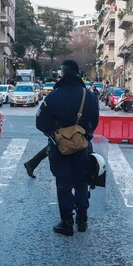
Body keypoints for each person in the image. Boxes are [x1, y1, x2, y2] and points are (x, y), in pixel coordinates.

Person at [36, 60, 99, 236]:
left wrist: (55, 133)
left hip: (60, 148)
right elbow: (95, 121)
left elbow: (41, 122)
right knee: (81, 182)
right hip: (82, 147)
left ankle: (67, 223)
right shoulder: (89, 96)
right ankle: (82, 220)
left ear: (64, 73)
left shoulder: (54, 96)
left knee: (63, 185)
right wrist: (84, 135)